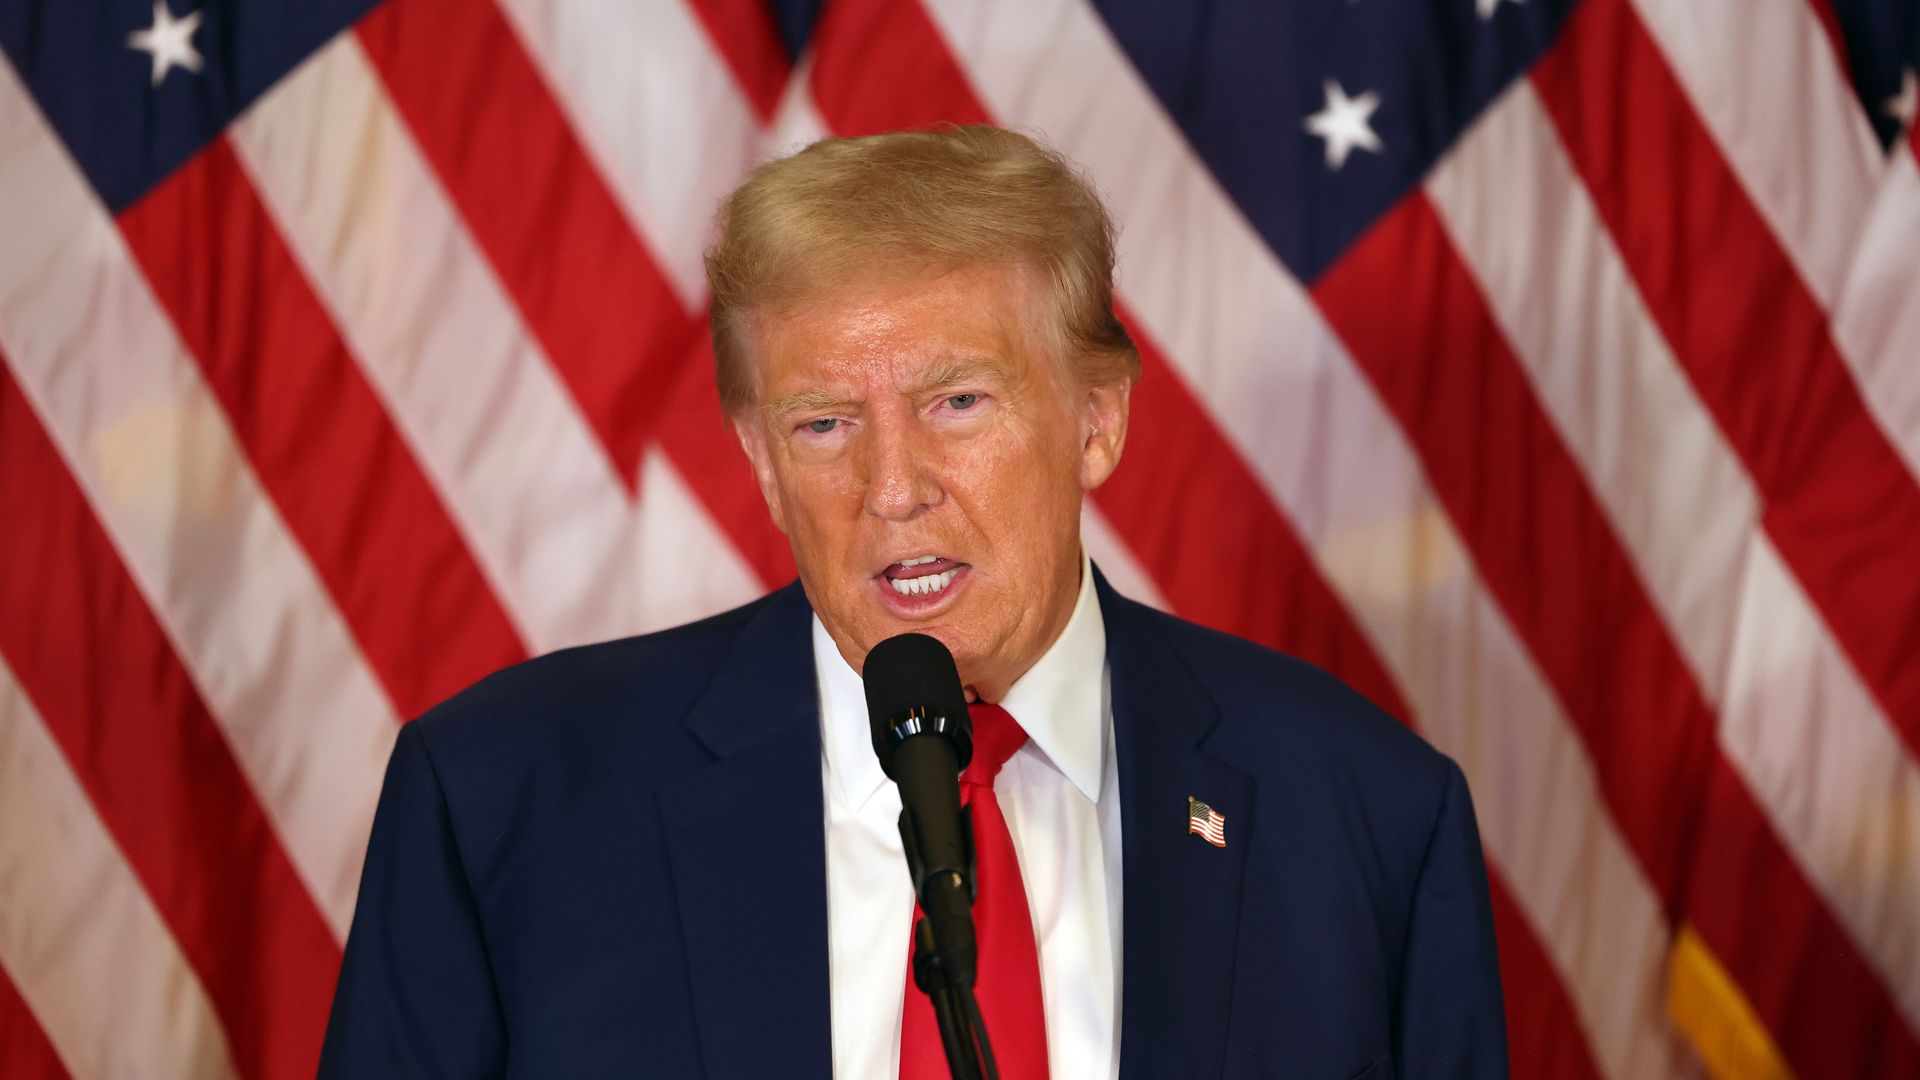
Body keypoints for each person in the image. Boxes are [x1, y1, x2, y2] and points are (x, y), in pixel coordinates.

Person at [318, 125, 1508, 1079]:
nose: (892, 490)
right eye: (825, 424)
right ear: (762, 463)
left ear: (1099, 418)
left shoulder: (1365, 818)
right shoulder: (502, 804)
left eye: (958, 404)